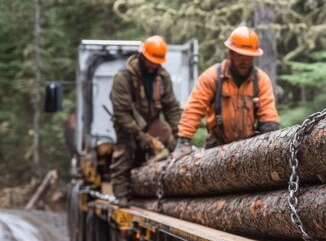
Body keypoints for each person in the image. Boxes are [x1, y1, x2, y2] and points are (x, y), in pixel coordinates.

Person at [172, 26, 280, 158]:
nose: (245, 61)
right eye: (241, 56)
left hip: (248, 146)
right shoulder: (212, 77)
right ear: (230, 54)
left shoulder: (261, 80)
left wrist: (270, 143)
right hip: (216, 147)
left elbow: (268, 116)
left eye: (249, 57)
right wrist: (184, 141)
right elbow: (194, 109)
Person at [110, 35, 182, 207]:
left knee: (172, 143)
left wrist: (180, 135)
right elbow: (121, 113)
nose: (152, 65)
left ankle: (176, 189)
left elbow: (171, 107)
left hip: (152, 124)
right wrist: (141, 137)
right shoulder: (123, 77)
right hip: (127, 125)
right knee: (125, 154)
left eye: (156, 62)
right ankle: (122, 196)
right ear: (142, 56)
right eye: (150, 61)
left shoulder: (162, 77)